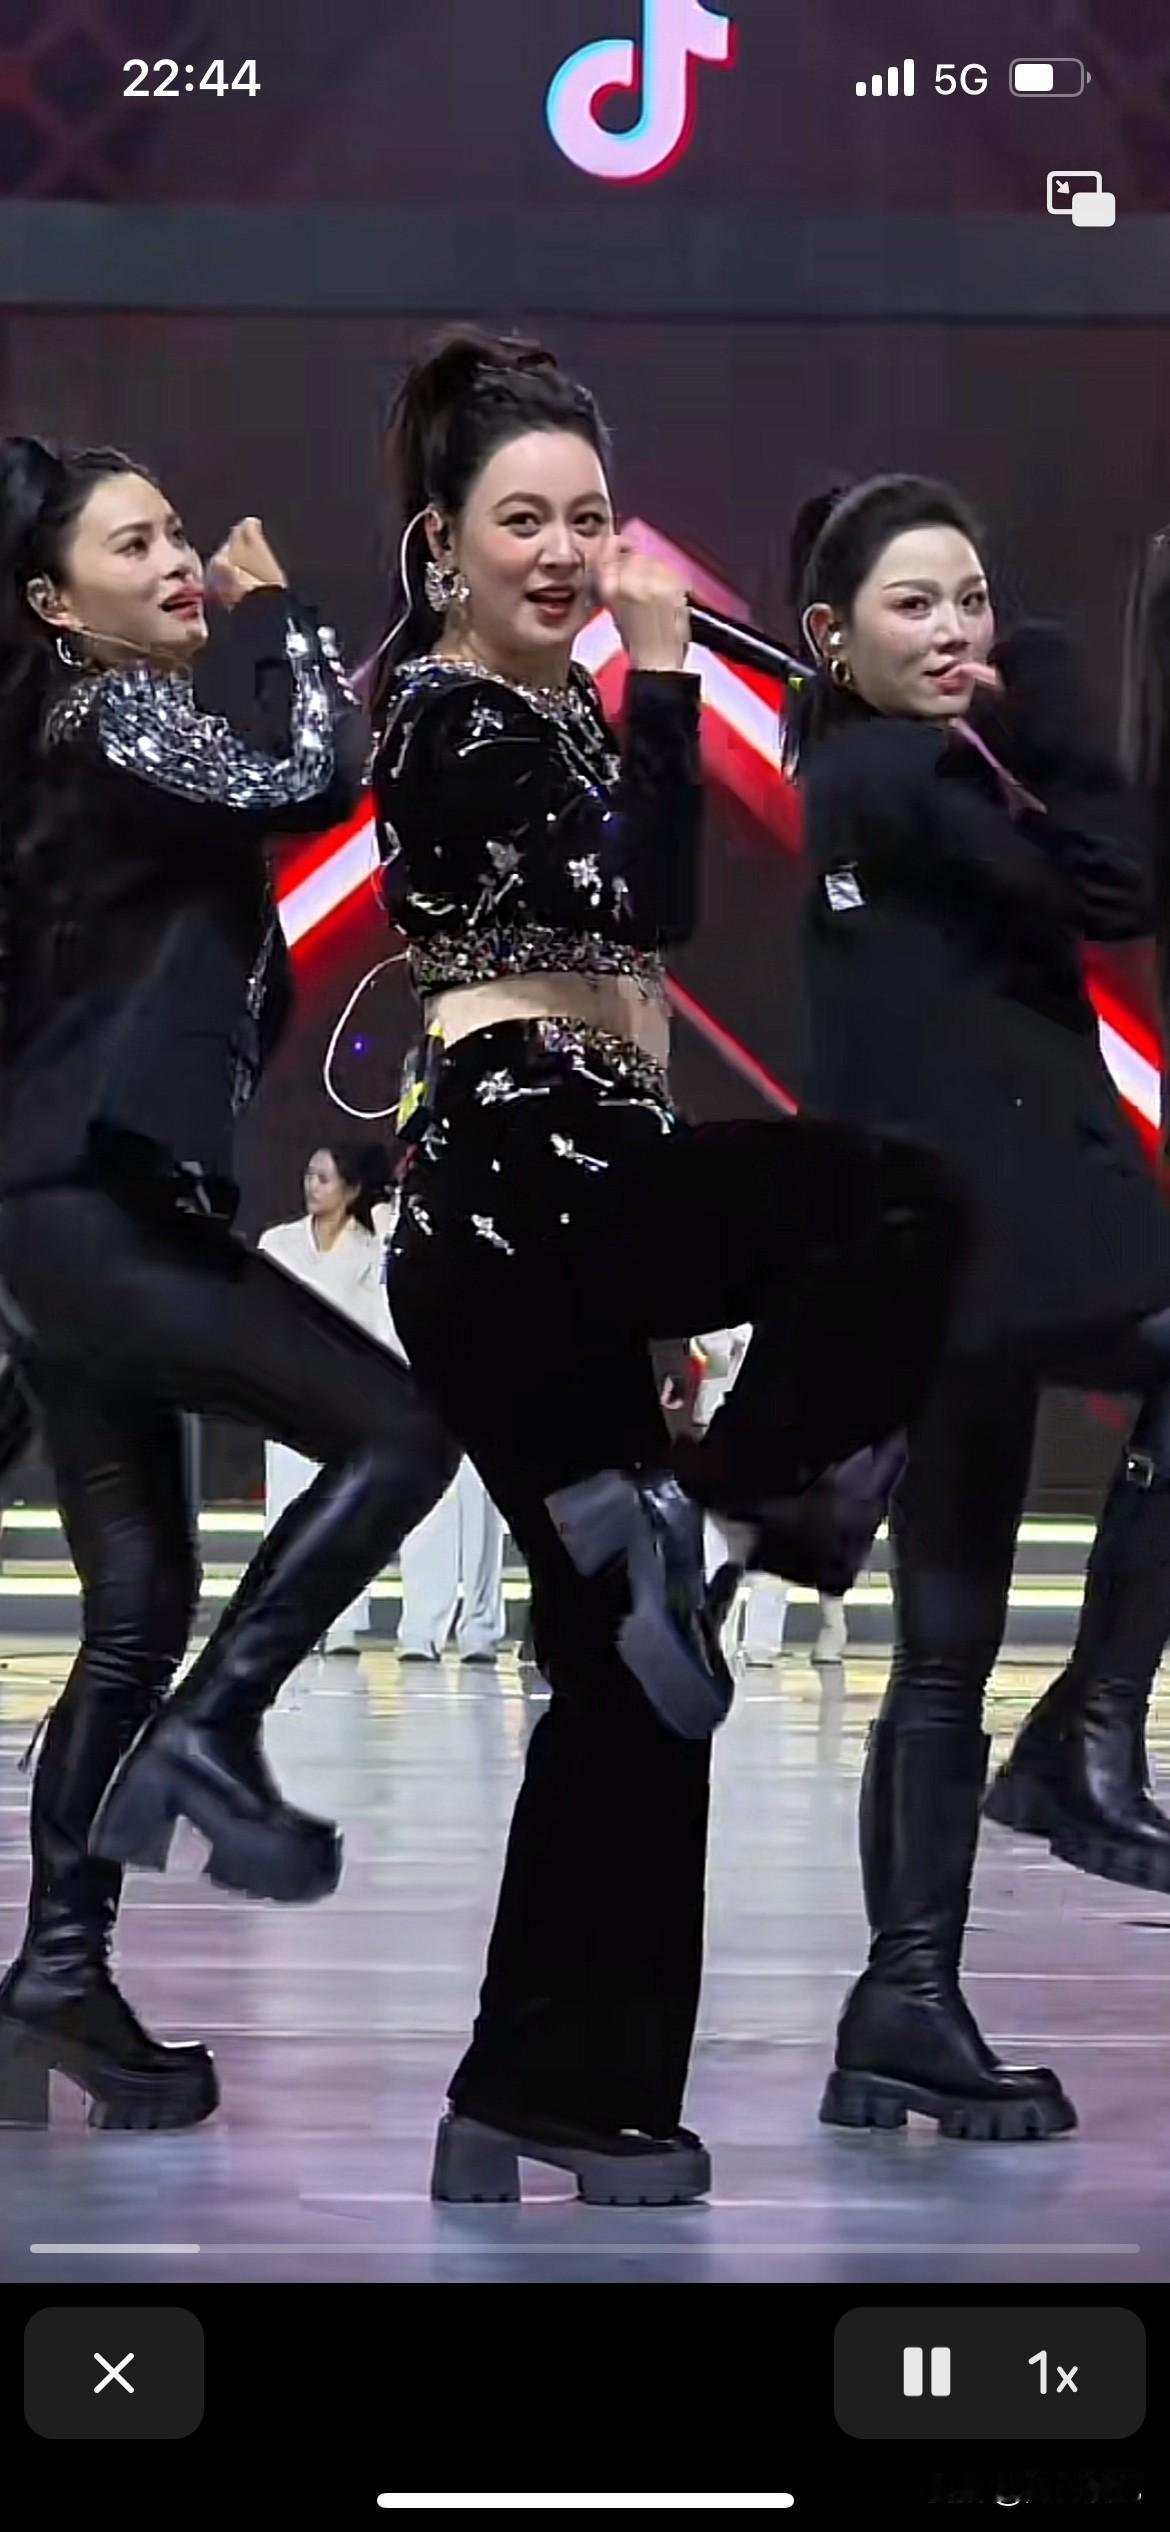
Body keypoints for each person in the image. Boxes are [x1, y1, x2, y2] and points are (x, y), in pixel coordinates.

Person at [369, 330, 962, 2205]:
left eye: (592, 518)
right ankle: (741, 1505)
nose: (565, 553)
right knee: (898, 1201)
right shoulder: (447, 719)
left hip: (582, 1203)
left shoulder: (550, 715)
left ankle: (542, 2091)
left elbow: (636, 967)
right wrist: (669, 673)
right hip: (511, 1209)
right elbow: (655, 900)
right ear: (445, 547)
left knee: (634, 1676)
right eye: (522, 521)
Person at [0, 437, 458, 2134]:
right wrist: (284, 615)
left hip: (73, 1217)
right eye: (135, 545)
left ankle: (58, 1976)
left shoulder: (112, 754)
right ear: (56, 605)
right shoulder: (107, 713)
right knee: (401, 1431)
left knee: (134, 1607)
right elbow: (311, 773)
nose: (181, 558)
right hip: (95, 1213)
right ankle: (214, 1735)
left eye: (179, 532)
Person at [793, 472, 1170, 2147]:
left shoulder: (869, 773)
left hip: (941, 1258)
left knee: (940, 1649)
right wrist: (1063, 705)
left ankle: (905, 2003)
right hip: (992, 1240)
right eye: (914, 606)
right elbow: (1111, 888)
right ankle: (1089, 1721)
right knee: (942, 1652)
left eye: (971, 601)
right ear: (832, 634)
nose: (955, 632)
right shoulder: (899, 776)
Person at [261, 1141, 398, 1655]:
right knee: (287, 1512)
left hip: (347, 1398)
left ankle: (341, 1622)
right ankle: (280, 1616)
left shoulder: (370, 1249)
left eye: (324, 1178)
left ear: (351, 1189)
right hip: (289, 1392)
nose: (312, 1186)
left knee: (343, 1513)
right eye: (309, 1175)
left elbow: (379, 1327)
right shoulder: (278, 1243)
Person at [696, 1326, 849, 1666]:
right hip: (733, 1422)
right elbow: (713, 1351)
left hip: (779, 1428)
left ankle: (757, 1642)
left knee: (766, 1537)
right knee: (723, 1538)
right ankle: (721, 1632)